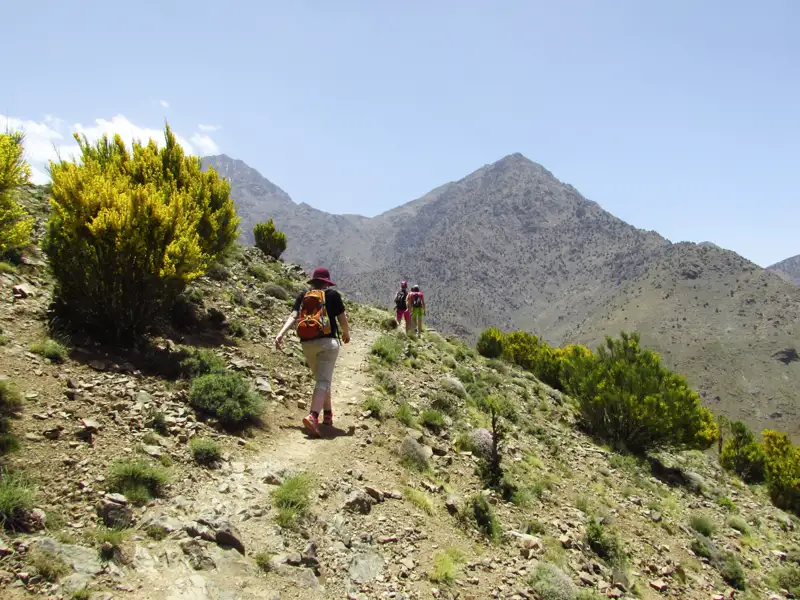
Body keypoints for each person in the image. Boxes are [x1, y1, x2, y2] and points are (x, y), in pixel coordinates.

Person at [275, 267, 350, 437]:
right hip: (328, 343)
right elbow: (342, 319)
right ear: (326, 282)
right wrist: (346, 333)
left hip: (307, 343)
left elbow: (293, 316)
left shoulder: (304, 296)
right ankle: (313, 416)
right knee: (323, 380)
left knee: (322, 379)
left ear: (314, 281)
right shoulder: (332, 295)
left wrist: (281, 334)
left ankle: (328, 414)